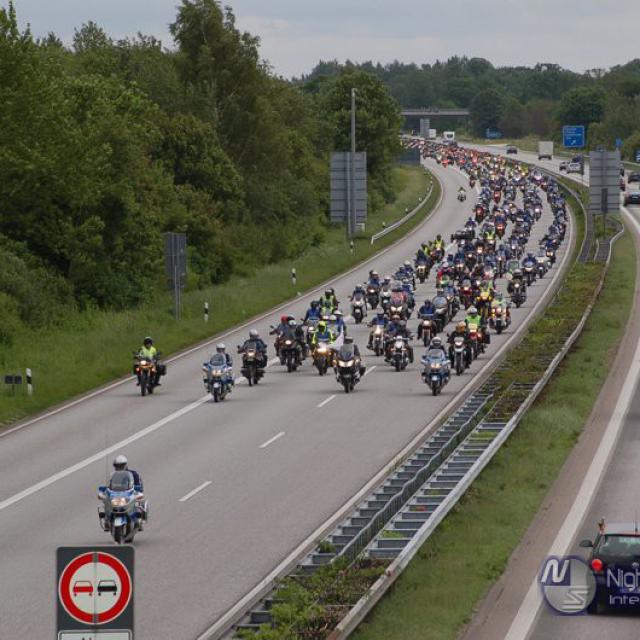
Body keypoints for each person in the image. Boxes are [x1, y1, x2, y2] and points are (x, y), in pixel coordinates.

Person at [110, 454, 146, 529]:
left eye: (121, 466)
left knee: (139, 502)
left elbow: (139, 486)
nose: (119, 467)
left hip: (130, 494)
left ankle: (140, 519)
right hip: (118, 495)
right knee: (107, 503)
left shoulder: (134, 474)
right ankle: (107, 518)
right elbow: (109, 485)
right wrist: (105, 490)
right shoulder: (113, 476)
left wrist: (138, 489)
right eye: (117, 466)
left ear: (125, 465)